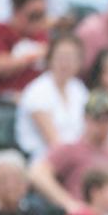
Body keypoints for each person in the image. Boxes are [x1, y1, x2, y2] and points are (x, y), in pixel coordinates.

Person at [28, 89, 108, 214]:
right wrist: (68, 203)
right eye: (98, 118)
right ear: (86, 118)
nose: (103, 125)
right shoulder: (71, 149)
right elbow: (37, 173)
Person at [15, 33, 89, 162]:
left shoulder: (79, 88)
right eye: (62, 57)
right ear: (50, 59)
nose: (66, 63)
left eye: (71, 58)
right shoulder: (37, 91)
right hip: (44, 159)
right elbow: (54, 142)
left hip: (78, 156)